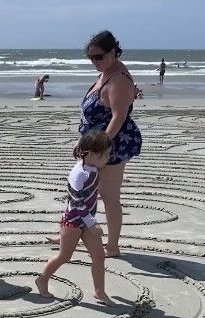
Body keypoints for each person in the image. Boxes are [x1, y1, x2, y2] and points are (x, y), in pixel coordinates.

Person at [77, 30, 141, 258]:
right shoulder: (106, 72)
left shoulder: (119, 79)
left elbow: (119, 116)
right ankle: (73, 233)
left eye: (99, 57)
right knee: (82, 189)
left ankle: (112, 246)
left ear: (113, 52)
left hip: (111, 146)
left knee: (109, 196)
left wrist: (99, 146)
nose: (95, 62)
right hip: (94, 144)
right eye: (91, 58)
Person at [36, 131, 113, 305]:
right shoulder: (80, 174)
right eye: (106, 154)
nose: (109, 157)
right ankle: (42, 279)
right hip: (73, 222)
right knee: (64, 256)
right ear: (92, 154)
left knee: (99, 256)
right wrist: (92, 224)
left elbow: (85, 196)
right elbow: (77, 204)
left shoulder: (90, 166)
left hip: (86, 220)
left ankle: (99, 291)